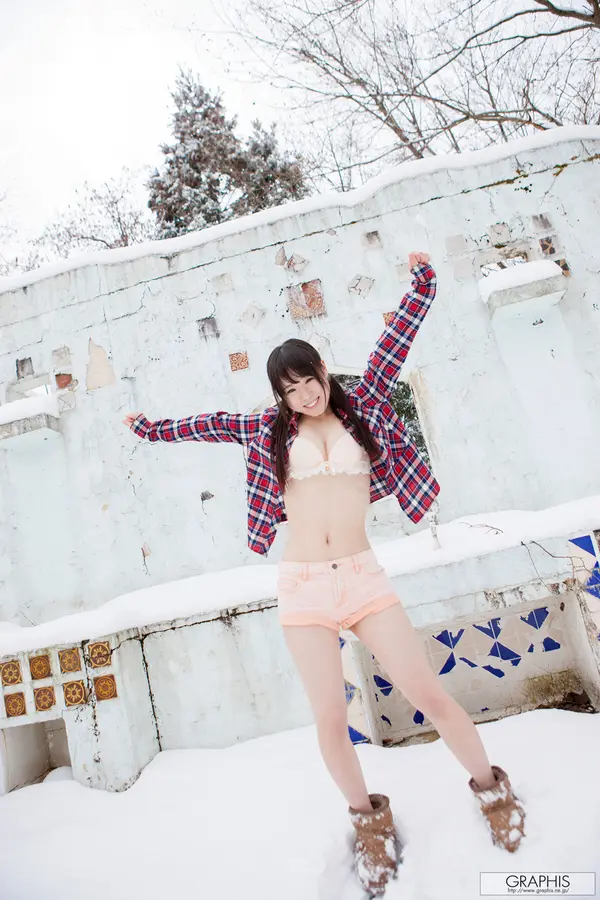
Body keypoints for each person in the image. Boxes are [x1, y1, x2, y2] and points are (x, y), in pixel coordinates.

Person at [124, 251, 526, 896]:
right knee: (331, 720)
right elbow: (207, 424)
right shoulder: (267, 430)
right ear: (280, 395)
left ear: (321, 371)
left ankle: (493, 792)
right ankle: (370, 825)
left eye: (308, 379)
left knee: (428, 694)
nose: (304, 394)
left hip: (364, 577)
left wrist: (422, 280)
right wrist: (149, 429)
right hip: (303, 586)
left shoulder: (363, 399)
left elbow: (398, 337)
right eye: (290, 389)